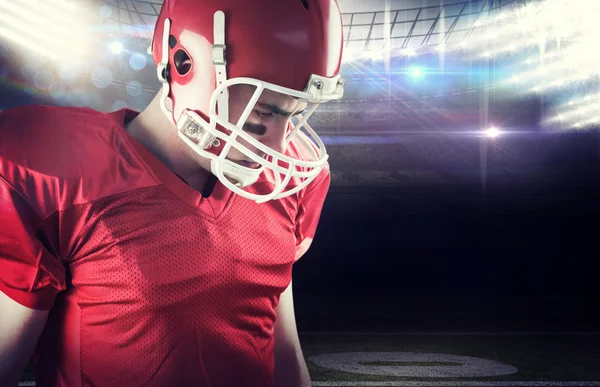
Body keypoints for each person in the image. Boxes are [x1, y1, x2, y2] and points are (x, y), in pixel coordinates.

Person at [0, 0, 345, 386]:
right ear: (184, 65)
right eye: (263, 113)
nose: (280, 148)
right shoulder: (57, 170)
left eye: (293, 113)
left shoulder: (284, 183)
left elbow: (281, 352)